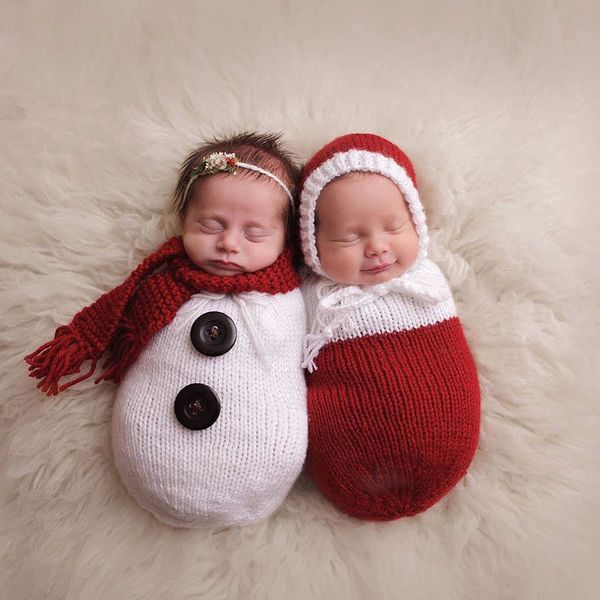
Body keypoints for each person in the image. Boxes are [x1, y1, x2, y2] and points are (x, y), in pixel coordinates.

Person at [25, 132, 308, 528]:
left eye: (254, 232)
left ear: (285, 238)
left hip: (263, 457)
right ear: (183, 221)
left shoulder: (292, 300)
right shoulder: (160, 288)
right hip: (150, 452)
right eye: (211, 225)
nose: (228, 243)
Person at [298, 133, 481, 521]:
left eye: (394, 227)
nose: (377, 247)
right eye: (350, 236)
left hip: (446, 442)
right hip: (350, 460)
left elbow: (452, 361)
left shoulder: (426, 283)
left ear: (416, 222)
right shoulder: (315, 300)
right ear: (313, 246)